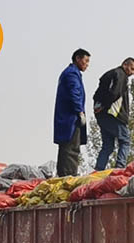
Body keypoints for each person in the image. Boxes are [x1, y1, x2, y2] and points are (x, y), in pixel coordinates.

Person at [93, 58, 134, 170]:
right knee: (125, 141)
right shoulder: (120, 74)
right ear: (125, 65)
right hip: (114, 114)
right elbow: (115, 92)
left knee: (107, 146)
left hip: (102, 114)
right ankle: (120, 167)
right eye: (132, 69)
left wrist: (99, 106)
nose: (132, 73)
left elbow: (96, 94)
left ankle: (98, 169)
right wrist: (104, 105)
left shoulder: (109, 74)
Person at [54, 48, 90, 177]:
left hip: (68, 117)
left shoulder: (72, 73)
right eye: (85, 61)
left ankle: (65, 174)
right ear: (78, 59)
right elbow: (74, 94)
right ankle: (68, 176)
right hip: (70, 118)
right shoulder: (71, 74)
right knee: (71, 149)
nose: (87, 64)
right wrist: (79, 111)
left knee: (67, 148)